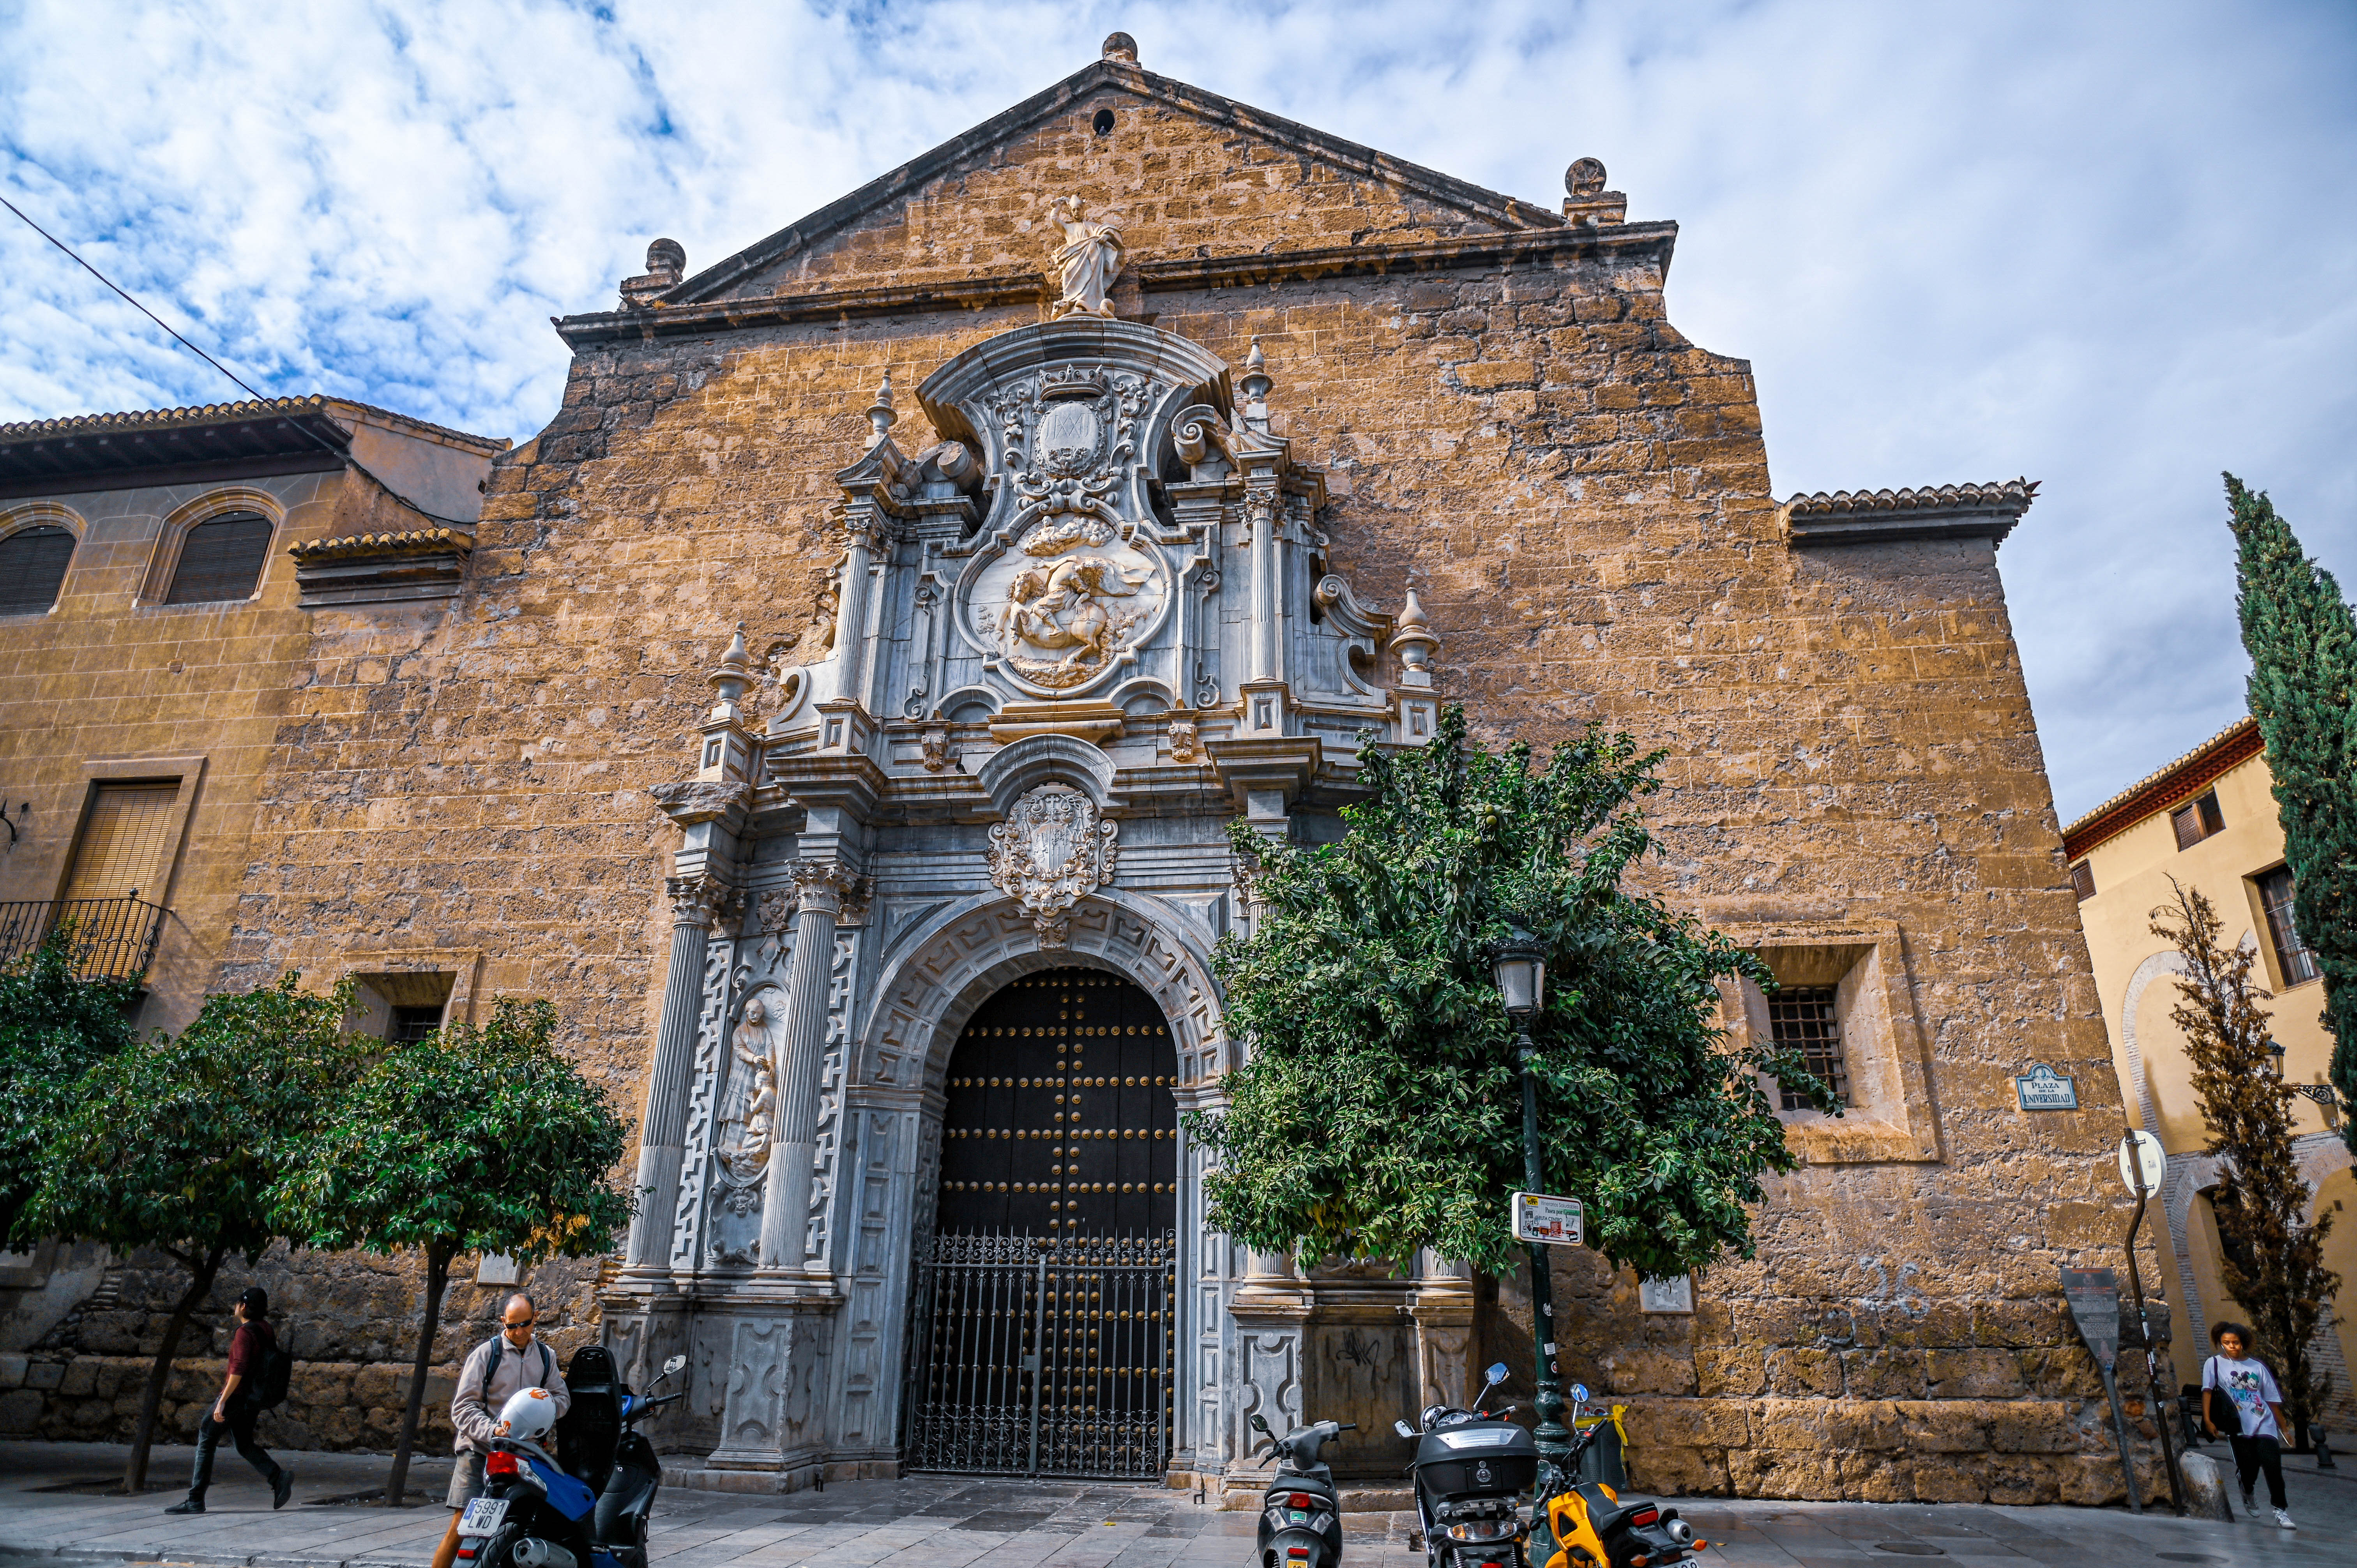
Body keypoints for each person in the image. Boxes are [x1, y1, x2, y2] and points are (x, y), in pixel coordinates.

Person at [429, 1293, 570, 1568]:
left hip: (524, 1457)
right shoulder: (486, 1355)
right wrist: (492, 1430)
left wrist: (542, 1409)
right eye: (512, 1325)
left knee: (519, 1524)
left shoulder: (545, 1356)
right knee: (461, 1526)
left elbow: (562, 1399)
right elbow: (463, 1407)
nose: (519, 1332)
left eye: (525, 1324)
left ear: (535, 1319)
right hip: (479, 1451)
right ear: (503, 1321)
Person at [164, 1285, 292, 1513]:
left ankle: (195, 1500)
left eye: (237, 1304)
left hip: (237, 1396)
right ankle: (278, 1477)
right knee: (243, 1444)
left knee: (206, 1437)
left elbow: (239, 1368)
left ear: (242, 1306)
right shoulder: (266, 1329)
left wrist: (223, 1400)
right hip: (253, 1398)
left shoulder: (244, 1333)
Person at [2202, 1321, 2295, 1529]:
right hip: (2237, 1425)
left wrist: (2285, 1429)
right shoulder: (2214, 1364)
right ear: (2221, 1343)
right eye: (2226, 1343)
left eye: (2235, 1342)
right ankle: (2247, 1489)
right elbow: (2207, 1392)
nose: (2231, 1346)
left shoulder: (2257, 1367)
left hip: (2265, 1423)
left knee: (2273, 1468)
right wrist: (2208, 1421)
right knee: (2248, 1468)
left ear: (2243, 1343)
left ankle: (2281, 1511)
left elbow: (2272, 1400)